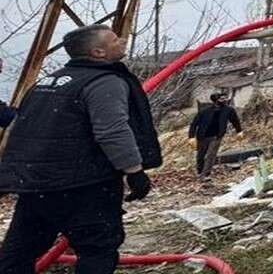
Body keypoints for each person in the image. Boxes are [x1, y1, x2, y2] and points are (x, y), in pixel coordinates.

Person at [0, 24, 162, 274]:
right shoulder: (104, 81)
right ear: (98, 52)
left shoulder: (49, 81)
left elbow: (19, 126)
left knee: (20, 252)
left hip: (36, 186)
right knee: (97, 249)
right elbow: (112, 131)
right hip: (83, 185)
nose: (122, 41)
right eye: (114, 40)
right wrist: (134, 171)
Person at [188, 92, 242, 177]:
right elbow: (194, 123)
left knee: (211, 155)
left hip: (216, 136)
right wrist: (191, 136)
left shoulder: (229, 110)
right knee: (200, 155)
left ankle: (206, 174)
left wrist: (239, 131)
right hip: (202, 136)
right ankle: (200, 171)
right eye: (221, 99)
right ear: (215, 100)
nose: (224, 100)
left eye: (225, 98)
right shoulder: (205, 111)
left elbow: (235, 120)